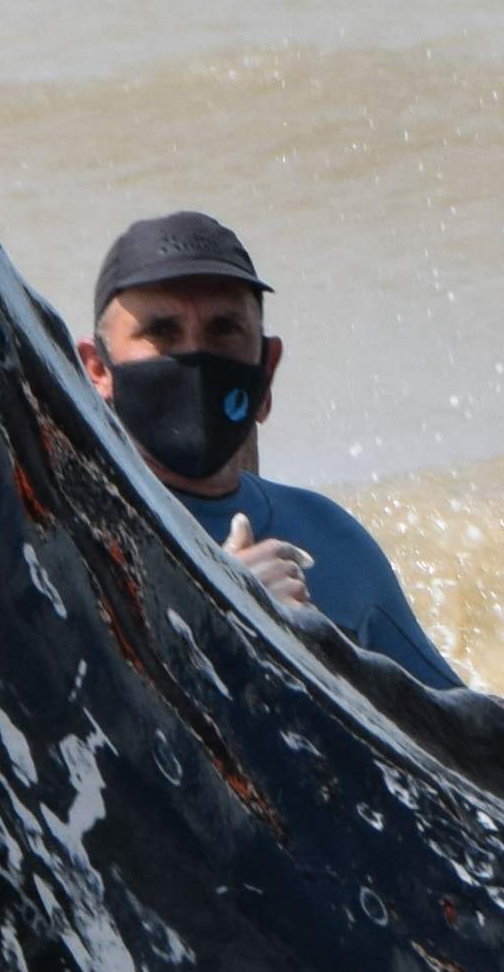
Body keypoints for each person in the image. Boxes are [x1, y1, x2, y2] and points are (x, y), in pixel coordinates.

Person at [76, 209, 462, 688]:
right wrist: (221, 617)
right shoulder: (67, 531)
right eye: (161, 332)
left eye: (223, 330)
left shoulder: (331, 537)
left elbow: (450, 727)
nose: (196, 357)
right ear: (97, 370)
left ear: (267, 369)